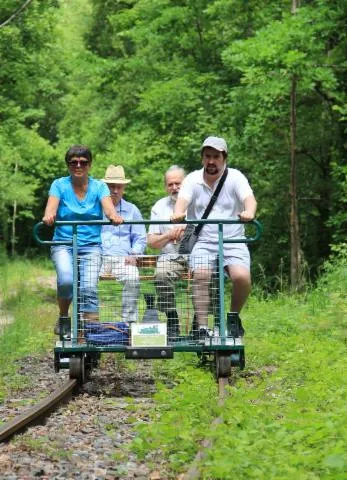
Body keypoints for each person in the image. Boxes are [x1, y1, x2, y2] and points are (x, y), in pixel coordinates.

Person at [171, 136, 257, 340]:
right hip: (203, 241)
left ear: (224, 158)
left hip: (232, 240)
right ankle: (201, 326)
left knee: (242, 278)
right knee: (200, 275)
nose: (211, 161)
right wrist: (178, 213)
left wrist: (249, 212)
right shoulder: (193, 179)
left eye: (216, 157)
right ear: (202, 158)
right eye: (207, 156)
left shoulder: (235, 177)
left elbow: (249, 199)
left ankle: (233, 317)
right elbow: (182, 201)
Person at [42, 145, 122, 333]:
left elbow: (109, 209)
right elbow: (50, 209)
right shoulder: (59, 185)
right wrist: (49, 217)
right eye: (74, 162)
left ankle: (91, 332)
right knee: (66, 281)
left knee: (88, 287)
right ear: (68, 165)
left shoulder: (99, 186)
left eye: (83, 162)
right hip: (63, 243)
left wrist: (113, 216)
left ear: (89, 165)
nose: (78, 165)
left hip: (91, 245)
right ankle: (63, 316)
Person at [100, 165, 146, 323]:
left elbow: (140, 237)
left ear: (123, 187)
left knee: (133, 276)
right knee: (83, 279)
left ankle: (129, 323)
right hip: (98, 258)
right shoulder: (95, 209)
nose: (115, 190)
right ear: (105, 188)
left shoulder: (132, 210)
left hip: (123, 259)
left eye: (118, 186)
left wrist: (134, 254)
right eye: (111, 186)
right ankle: (86, 325)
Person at [147, 166, 186, 338]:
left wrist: (186, 232)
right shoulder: (159, 206)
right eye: (170, 184)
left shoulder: (198, 203)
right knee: (161, 274)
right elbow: (152, 242)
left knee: (209, 274)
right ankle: (172, 319)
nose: (174, 187)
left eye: (178, 183)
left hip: (198, 254)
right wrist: (169, 235)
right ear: (165, 187)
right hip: (170, 257)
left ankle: (199, 326)